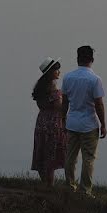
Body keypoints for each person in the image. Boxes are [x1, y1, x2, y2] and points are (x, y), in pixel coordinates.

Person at [61, 45, 106, 196]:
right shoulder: (95, 79)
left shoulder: (68, 77)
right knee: (89, 158)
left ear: (77, 58)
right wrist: (104, 124)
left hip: (72, 122)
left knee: (70, 157)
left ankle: (69, 186)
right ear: (92, 60)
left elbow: (65, 102)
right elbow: (99, 104)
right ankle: (85, 190)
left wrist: (63, 119)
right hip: (89, 124)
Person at [31, 57, 67, 187]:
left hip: (42, 121)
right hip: (53, 123)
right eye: (56, 69)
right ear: (51, 72)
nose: (59, 72)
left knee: (42, 152)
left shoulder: (40, 87)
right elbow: (59, 107)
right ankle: (50, 186)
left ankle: (44, 183)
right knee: (51, 155)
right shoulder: (52, 87)